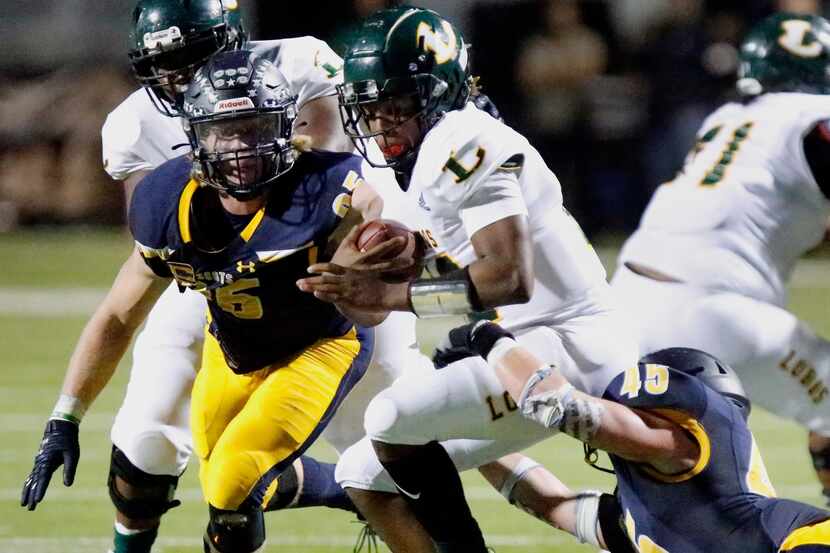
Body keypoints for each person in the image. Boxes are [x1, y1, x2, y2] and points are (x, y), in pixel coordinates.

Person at [39, 1, 428, 552]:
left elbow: (359, 179)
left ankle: (414, 500)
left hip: (330, 277)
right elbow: (149, 260)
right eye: (165, 64)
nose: (180, 78)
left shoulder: (299, 65)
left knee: (391, 449)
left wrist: (394, 238)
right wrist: (67, 413)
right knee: (148, 448)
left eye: (194, 56)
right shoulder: (136, 129)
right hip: (216, 284)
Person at [297, 6, 639, 552]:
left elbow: (507, 278)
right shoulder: (405, 165)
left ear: (436, 92)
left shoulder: (463, 139)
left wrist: (390, 292)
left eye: (396, 103)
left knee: (391, 418)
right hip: (512, 345)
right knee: (360, 473)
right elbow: (384, 306)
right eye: (370, 105)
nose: (381, 121)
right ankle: (601, 525)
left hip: (571, 343)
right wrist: (347, 289)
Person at [609, 11, 830, 501]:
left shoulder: (727, 119)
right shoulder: (811, 118)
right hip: (715, 313)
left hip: (624, 302)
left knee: (692, 475)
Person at [458, 319, 830, 553]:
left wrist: (488, 337)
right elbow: (551, 504)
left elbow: (560, 407)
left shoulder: (680, 444)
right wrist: (463, 444)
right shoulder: (648, 519)